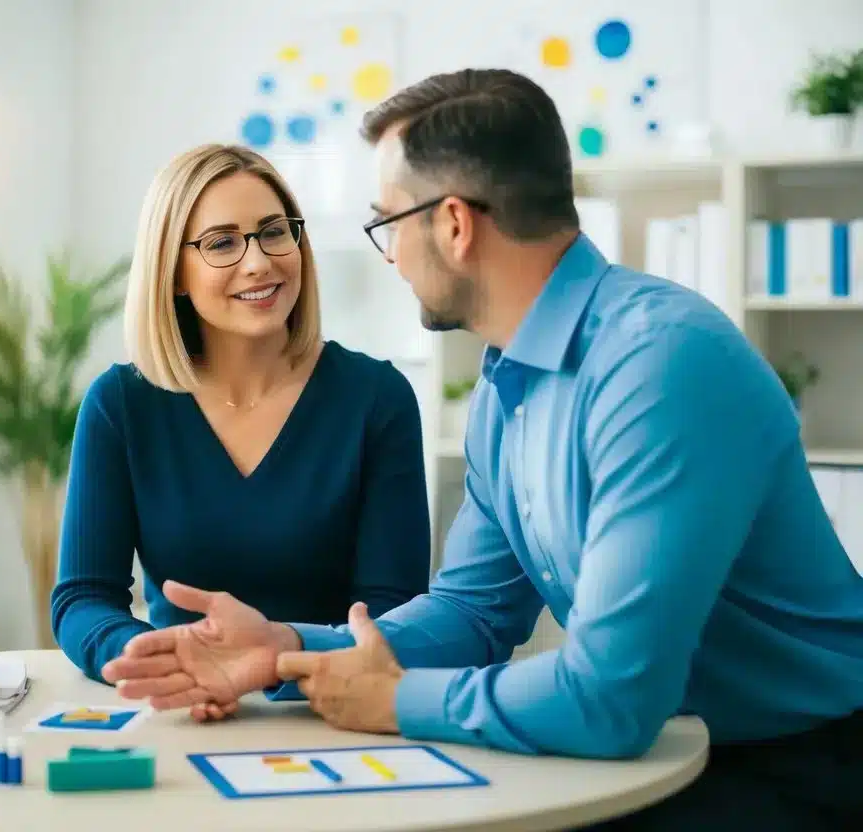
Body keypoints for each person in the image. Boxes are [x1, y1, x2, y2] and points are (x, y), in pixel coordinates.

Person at [100, 70, 863, 828]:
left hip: (800, 765)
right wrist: (287, 651)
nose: (389, 255)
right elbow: (471, 612)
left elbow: (610, 699)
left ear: (454, 225)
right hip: (671, 745)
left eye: (388, 223)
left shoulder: (661, 365)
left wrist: (393, 700)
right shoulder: (506, 383)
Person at [51, 143, 431, 694]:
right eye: (222, 242)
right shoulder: (120, 405)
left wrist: (267, 665)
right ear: (173, 271)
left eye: (275, 231)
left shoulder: (377, 399)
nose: (258, 261)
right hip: (184, 709)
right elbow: (83, 600)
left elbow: (393, 612)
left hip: (334, 715)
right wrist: (165, 661)